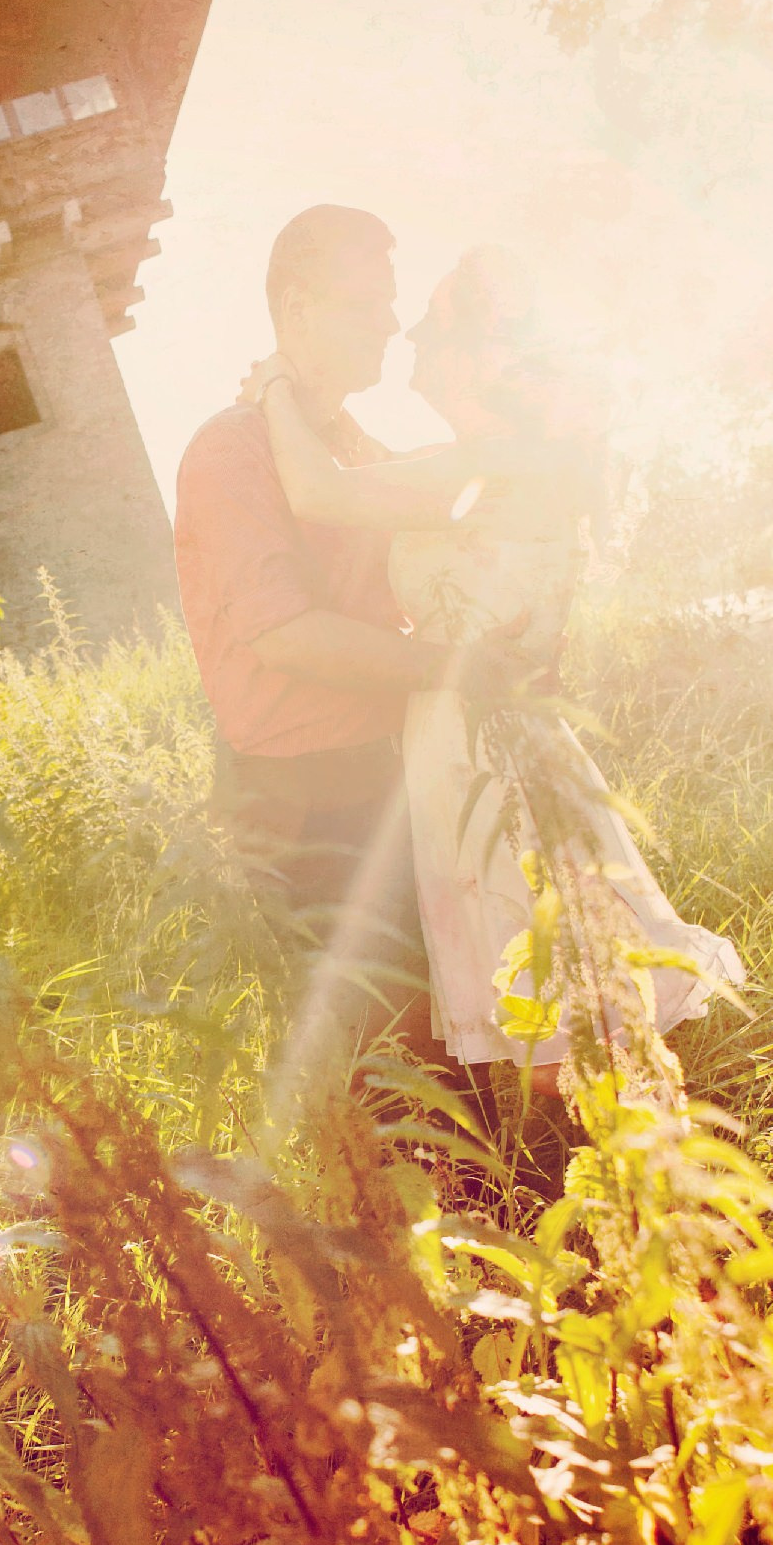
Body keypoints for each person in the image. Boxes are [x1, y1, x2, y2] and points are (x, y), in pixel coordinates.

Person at [240, 245, 746, 1090]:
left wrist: (272, 392)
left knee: (564, 992)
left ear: (485, 355)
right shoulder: (477, 462)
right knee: (539, 995)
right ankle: (617, 1163)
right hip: (454, 745)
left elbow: (323, 494)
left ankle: (648, 1164)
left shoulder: (509, 456)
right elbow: (361, 480)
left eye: (433, 327)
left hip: (496, 746)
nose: (406, 337)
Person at [172, 206, 528, 1069]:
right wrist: (456, 671)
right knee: (395, 1049)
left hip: (398, 763)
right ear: (296, 310)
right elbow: (283, 633)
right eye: (366, 303)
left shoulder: (345, 447)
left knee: (470, 1019)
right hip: (309, 795)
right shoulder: (230, 451)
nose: (391, 325)